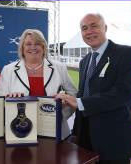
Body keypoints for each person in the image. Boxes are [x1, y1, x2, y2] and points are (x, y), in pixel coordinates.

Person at [57, 13, 131, 164]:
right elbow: (83, 92)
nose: (89, 31)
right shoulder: (85, 61)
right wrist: (76, 131)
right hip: (84, 136)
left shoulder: (125, 53)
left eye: (94, 26)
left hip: (113, 137)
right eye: (84, 28)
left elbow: (123, 93)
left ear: (105, 28)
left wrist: (80, 103)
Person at [0, 29, 77, 139]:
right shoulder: (8, 70)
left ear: (43, 47)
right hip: (19, 132)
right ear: (22, 48)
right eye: (28, 44)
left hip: (54, 131)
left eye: (37, 43)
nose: (33, 47)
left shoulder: (59, 68)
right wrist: (9, 99)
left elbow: (74, 95)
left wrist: (60, 116)